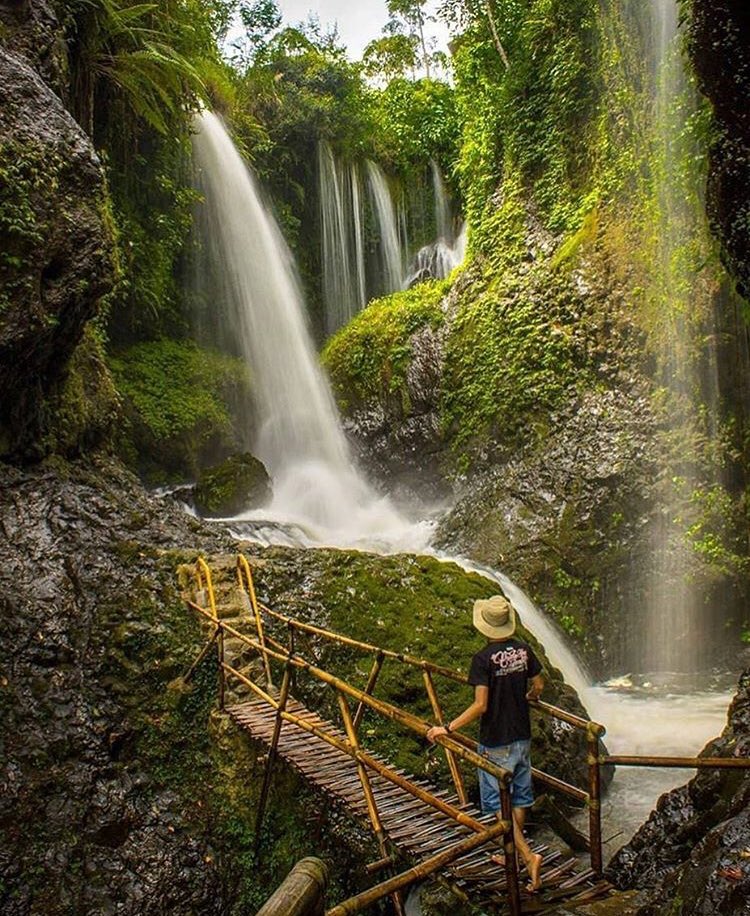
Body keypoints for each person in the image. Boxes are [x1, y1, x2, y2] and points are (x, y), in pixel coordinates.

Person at [426, 594, 544, 892]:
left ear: (485, 628)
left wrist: (447, 728)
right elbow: (539, 683)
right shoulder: (523, 650)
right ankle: (514, 856)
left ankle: (528, 857)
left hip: (495, 741)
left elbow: (481, 705)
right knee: (519, 796)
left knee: (496, 803)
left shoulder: (482, 660)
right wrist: (531, 697)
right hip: (522, 735)